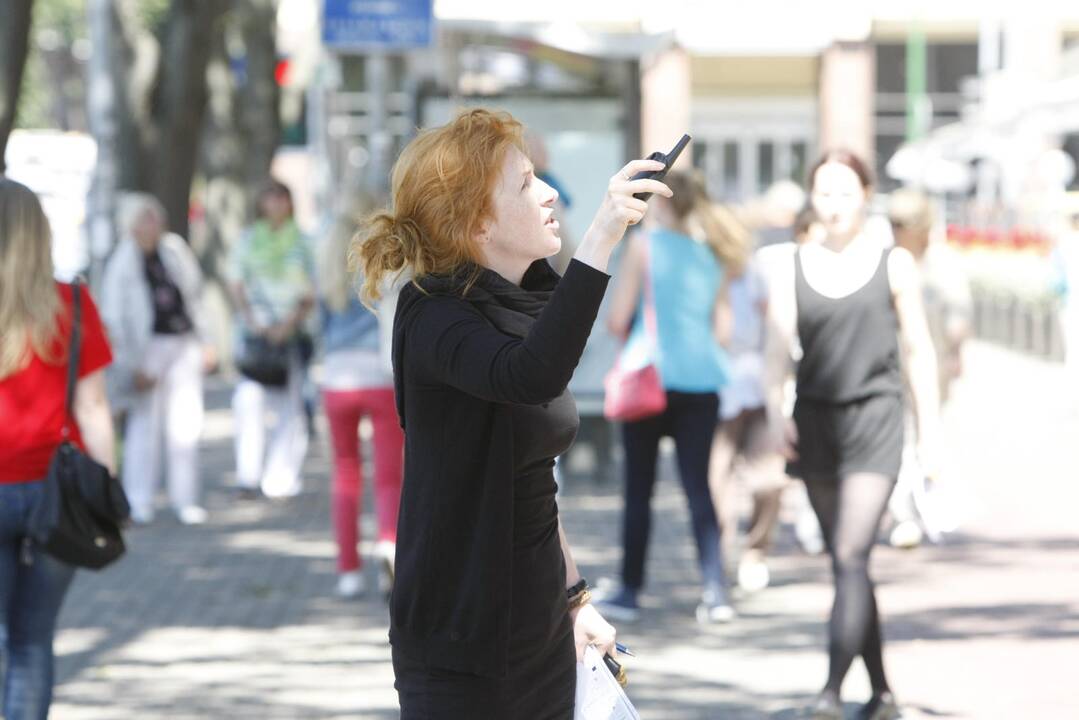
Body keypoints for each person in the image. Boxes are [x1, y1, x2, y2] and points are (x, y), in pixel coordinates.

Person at [354, 108, 670, 719]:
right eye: (527, 184)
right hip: (459, 638)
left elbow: (531, 481)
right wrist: (601, 235)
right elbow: (529, 376)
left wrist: (576, 600)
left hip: (539, 628)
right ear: (475, 222)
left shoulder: (523, 294)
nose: (551, 193)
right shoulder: (431, 315)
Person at [761, 151, 942, 720]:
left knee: (850, 551)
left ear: (867, 194)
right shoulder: (791, 263)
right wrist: (774, 411)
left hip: (877, 421)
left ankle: (831, 693)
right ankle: (884, 693)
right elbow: (775, 351)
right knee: (850, 567)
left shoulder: (894, 264)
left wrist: (930, 433)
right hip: (816, 423)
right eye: (824, 192)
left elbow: (918, 351)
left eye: (845, 192)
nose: (834, 204)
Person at [599, 171, 743, 624]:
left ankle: (629, 589)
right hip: (701, 381)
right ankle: (715, 590)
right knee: (699, 488)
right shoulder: (713, 255)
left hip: (649, 375)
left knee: (638, 490)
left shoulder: (643, 247)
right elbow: (724, 330)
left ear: (661, 202)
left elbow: (619, 317)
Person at [0, 178, 115, 719]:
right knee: (31, 640)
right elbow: (92, 408)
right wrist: (106, 489)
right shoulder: (71, 301)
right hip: (57, 491)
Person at [100, 193, 216, 525]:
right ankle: (140, 497)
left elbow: (194, 296)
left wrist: (206, 341)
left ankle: (185, 497)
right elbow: (114, 316)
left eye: (155, 218)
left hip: (182, 342)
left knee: (185, 424)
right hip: (146, 349)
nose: (152, 226)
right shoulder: (122, 260)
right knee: (144, 424)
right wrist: (130, 363)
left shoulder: (174, 250)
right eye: (145, 219)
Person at [316, 202, 403, 599]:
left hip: (337, 377)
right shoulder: (385, 263)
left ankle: (347, 571)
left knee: (346, 474)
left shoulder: (329, 268)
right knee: (389, 476)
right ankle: (388, 542)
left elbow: (320, 325)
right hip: (379, 376)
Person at [886, 188, 972, 547]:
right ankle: (905, 512)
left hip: (930, 365)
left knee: (927, 432)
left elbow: (959, 314)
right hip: (891, 367)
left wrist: (955, 352)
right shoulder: (887, 259)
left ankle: (922, 503)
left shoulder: (940, 263)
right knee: (901, 437)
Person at [708, 232, 790, 594]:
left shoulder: (760, 277)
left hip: (757, 389)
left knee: (768, 479)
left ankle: (756, 551)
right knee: (716, 482)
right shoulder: (709, 279)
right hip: (717, 390)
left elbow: (776, 332)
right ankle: (719, 560)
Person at [228, 180, 315, 499]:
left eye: (282, 197)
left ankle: (280, 476)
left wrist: (289, 324)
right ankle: (247, 475)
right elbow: (237, 283)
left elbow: (311, 289)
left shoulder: (303, 241)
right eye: (270, 197)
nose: (276, 204)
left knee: (290, 407)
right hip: (256, 336)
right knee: (248, 402)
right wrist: (255, 323)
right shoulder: (249, 240)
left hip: (291, 335)